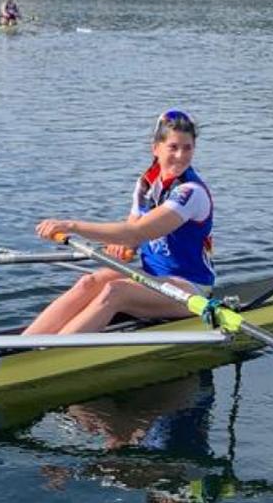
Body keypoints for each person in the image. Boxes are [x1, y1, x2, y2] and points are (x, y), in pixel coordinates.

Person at [24, 109, 214, 335]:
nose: (181, 155)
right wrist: (124, 246)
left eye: (187, 148)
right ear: (156, 148)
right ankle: (21, 347)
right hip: (153, 277)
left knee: (116, 291)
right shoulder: (146, 185)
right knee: (90, 282)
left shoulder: (190, 192)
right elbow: (130, 238)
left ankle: (48, 358)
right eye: (173, 147)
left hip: (190, 289)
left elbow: (136, 232)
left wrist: (71, 226)